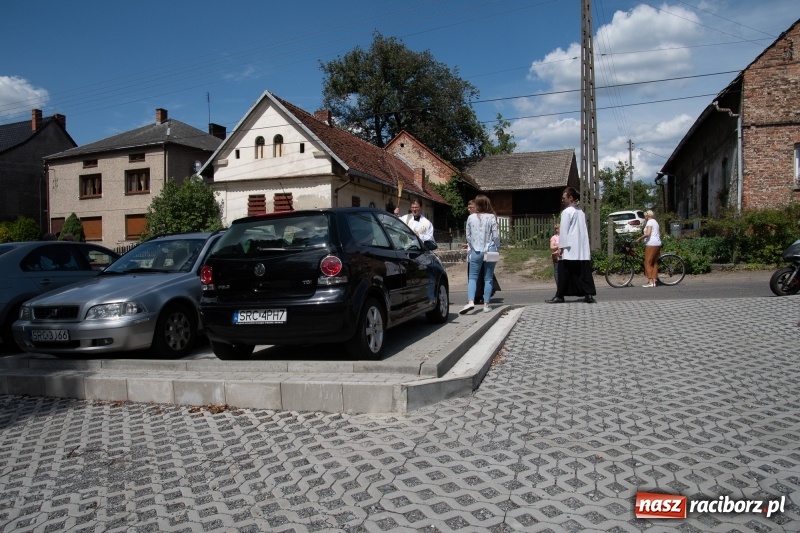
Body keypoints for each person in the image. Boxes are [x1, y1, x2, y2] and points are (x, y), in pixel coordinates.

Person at [546, 187, 596, 304]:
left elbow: (564, 231)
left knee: (564, 273)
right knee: (583, 273)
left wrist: (561, 248)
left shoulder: (567, 212)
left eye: (564, 198)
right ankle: (588, 294)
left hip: (569, 249)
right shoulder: (581, 212)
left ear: (571, 198)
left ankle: (560, 296)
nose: (562, 200)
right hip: (581, 249)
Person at [460, 195, 500, 314]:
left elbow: (468, 236)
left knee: (473, 277)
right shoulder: (491, 217)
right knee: (488, 277)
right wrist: (497, 247)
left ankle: (471, 301)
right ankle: (486, 304)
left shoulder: (471, 217)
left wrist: (472, 246)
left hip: (476, 250)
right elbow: (496, 235)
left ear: (477, 205)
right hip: (490, 249)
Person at [635, 209, 661, 287]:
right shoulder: (655, 222)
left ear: (647, 216)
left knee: (648, 262)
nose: (644, 217)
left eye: (644, 216)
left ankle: (650, 282)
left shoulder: (649, 222)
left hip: (651, 244)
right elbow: (659, 234)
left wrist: (639, 239)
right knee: (654, 262)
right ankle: (654, 281)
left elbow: (648, 234)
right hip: (657, 243)